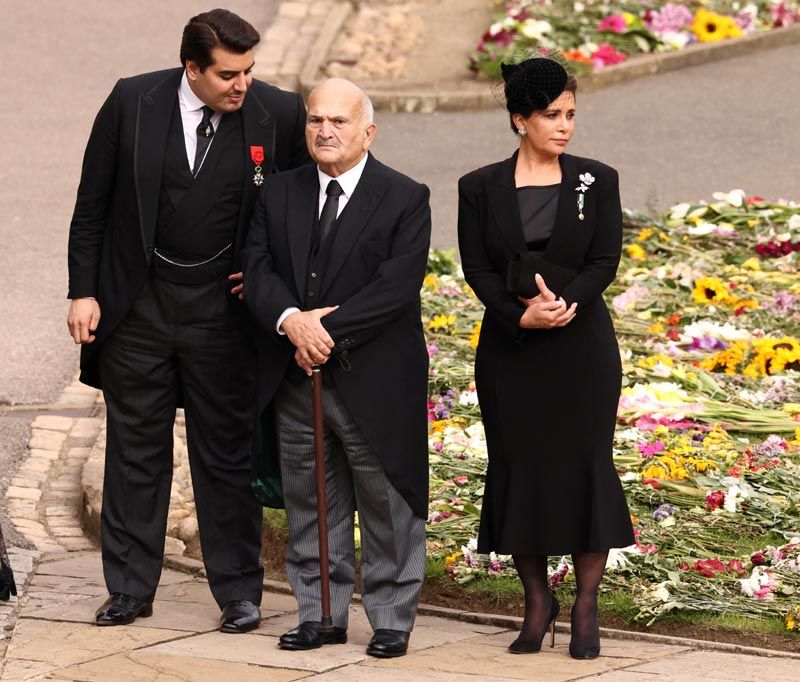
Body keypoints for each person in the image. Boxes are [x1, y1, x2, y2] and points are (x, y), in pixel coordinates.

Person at [66, 9, 309, 633]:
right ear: (191, 68)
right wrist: (84, 291)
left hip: (224, 315)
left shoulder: (277, 114)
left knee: (225, 456)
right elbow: (92, 202)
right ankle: (128, 589)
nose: (242, 85)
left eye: (250, 71)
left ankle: (239, 593)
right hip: (138, 305)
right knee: (134, 454)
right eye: (228, 74)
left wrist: (266, 280)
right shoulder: (132, 101)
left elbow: (296, 213)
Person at [243, 78, 431, 659]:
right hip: (297, 379)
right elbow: (256, 267)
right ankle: (320, 613)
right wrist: (291, 320)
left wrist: (323, 330)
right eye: (315, 120)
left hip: (375, 380)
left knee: (386, 503)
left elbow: (396, 287)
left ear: (367, 131)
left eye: (339, 121)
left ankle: (391, 617)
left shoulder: (405, 196)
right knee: (310, 501)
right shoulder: (277, 192)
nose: (324, 131)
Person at [457, 55, 634, 660]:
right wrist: (519, 316)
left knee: (586, 468)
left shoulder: (596, 178)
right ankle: (538, 602)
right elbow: (477, 268)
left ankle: (585, 605)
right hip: (512, 350)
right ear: (519, 120)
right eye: (551, 115)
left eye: (571, 115)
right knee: (518, 470)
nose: (565, 126)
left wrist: (566, 305)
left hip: (581, 351)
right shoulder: (478, 187)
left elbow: (604, 261)